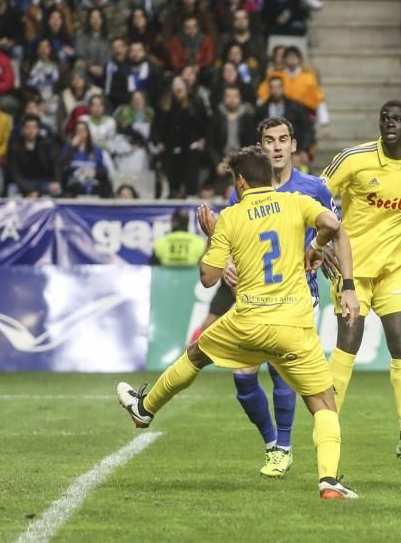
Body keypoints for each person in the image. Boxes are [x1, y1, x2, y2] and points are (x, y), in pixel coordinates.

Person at [116, 145, 360, 500]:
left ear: (241, 181)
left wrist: (214, 236)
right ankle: (328, 481)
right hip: (294, 322)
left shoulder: (231, 215)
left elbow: (209, 278)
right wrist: (317, 246)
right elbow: (332, 224)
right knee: (323, 403)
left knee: (197, 354)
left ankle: (144, 409)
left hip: (248, 321)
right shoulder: (294, 202)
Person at [198, 117, 335, 478]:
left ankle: (284, 448)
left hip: (299, 293)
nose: (276, 146)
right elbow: (232, 235)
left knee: (280, 370)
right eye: (269, 141)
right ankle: (273, 443)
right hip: (254, 294)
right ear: (261, 148)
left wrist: (335, 267)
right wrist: (227, 262)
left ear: (293, 145)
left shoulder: (313, 188)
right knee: (243, 376)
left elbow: (336, 228)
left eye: (282, 139)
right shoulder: (242, 188)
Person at [321, 100, 401, 462]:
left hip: (394, 269)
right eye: (384, 119)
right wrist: (322, 239)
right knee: (348, 342)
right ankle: (327, 424)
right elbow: (320, 194)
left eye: (397, 119)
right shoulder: (353, 159)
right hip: (351, 270)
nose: (389, 124)